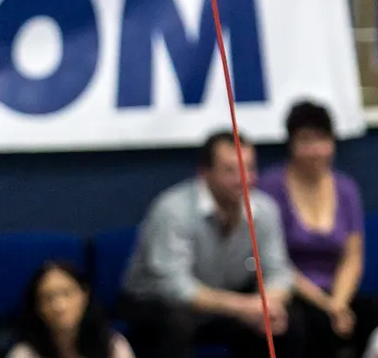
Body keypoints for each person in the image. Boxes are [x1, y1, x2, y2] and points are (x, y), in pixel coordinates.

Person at [118, 131, 304, 358]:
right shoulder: (173, 210)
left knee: (287, 318)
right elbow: (175, 287)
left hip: (228, 301)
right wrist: (245, 307)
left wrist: (268, 304)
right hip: (158, 303)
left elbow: (278, 270)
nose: (243, 179)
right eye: (231, 170)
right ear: (205, 173)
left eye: (249, 168)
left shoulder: (265, 209)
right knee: (176, 324)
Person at [260, 101, 376, 358]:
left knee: (369, 314)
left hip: (337, 292)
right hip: (293, 292)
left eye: (322, 139)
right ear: (291, 144)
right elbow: (275, 261)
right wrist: (326, 306)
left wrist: (338, 303)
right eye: (305, 141)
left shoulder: (346, 189)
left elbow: (352, 256)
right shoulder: (270, 188)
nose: (315, 150)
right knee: (311, 323)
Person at [7, 262, 134, 358]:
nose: (59, 306)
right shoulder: (24, 353)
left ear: (85, 295)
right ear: (37, 307)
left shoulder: (113, 345)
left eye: (67, 293)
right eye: (47, 298)